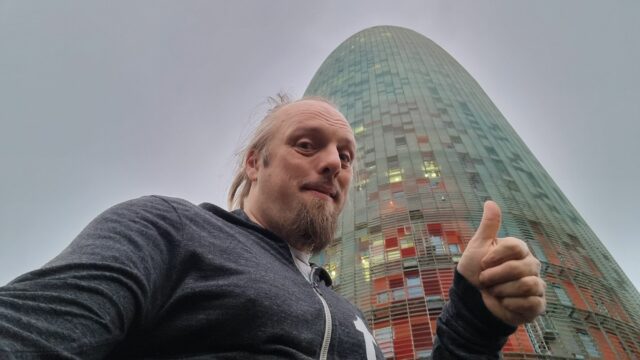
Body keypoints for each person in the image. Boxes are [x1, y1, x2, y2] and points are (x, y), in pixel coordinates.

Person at [0, 96, 546, 359]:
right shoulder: (166, 229)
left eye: (347, 155)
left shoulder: (348, 313)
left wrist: (475, 315)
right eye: (307, 145)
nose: (335, 163)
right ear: (254, 164)